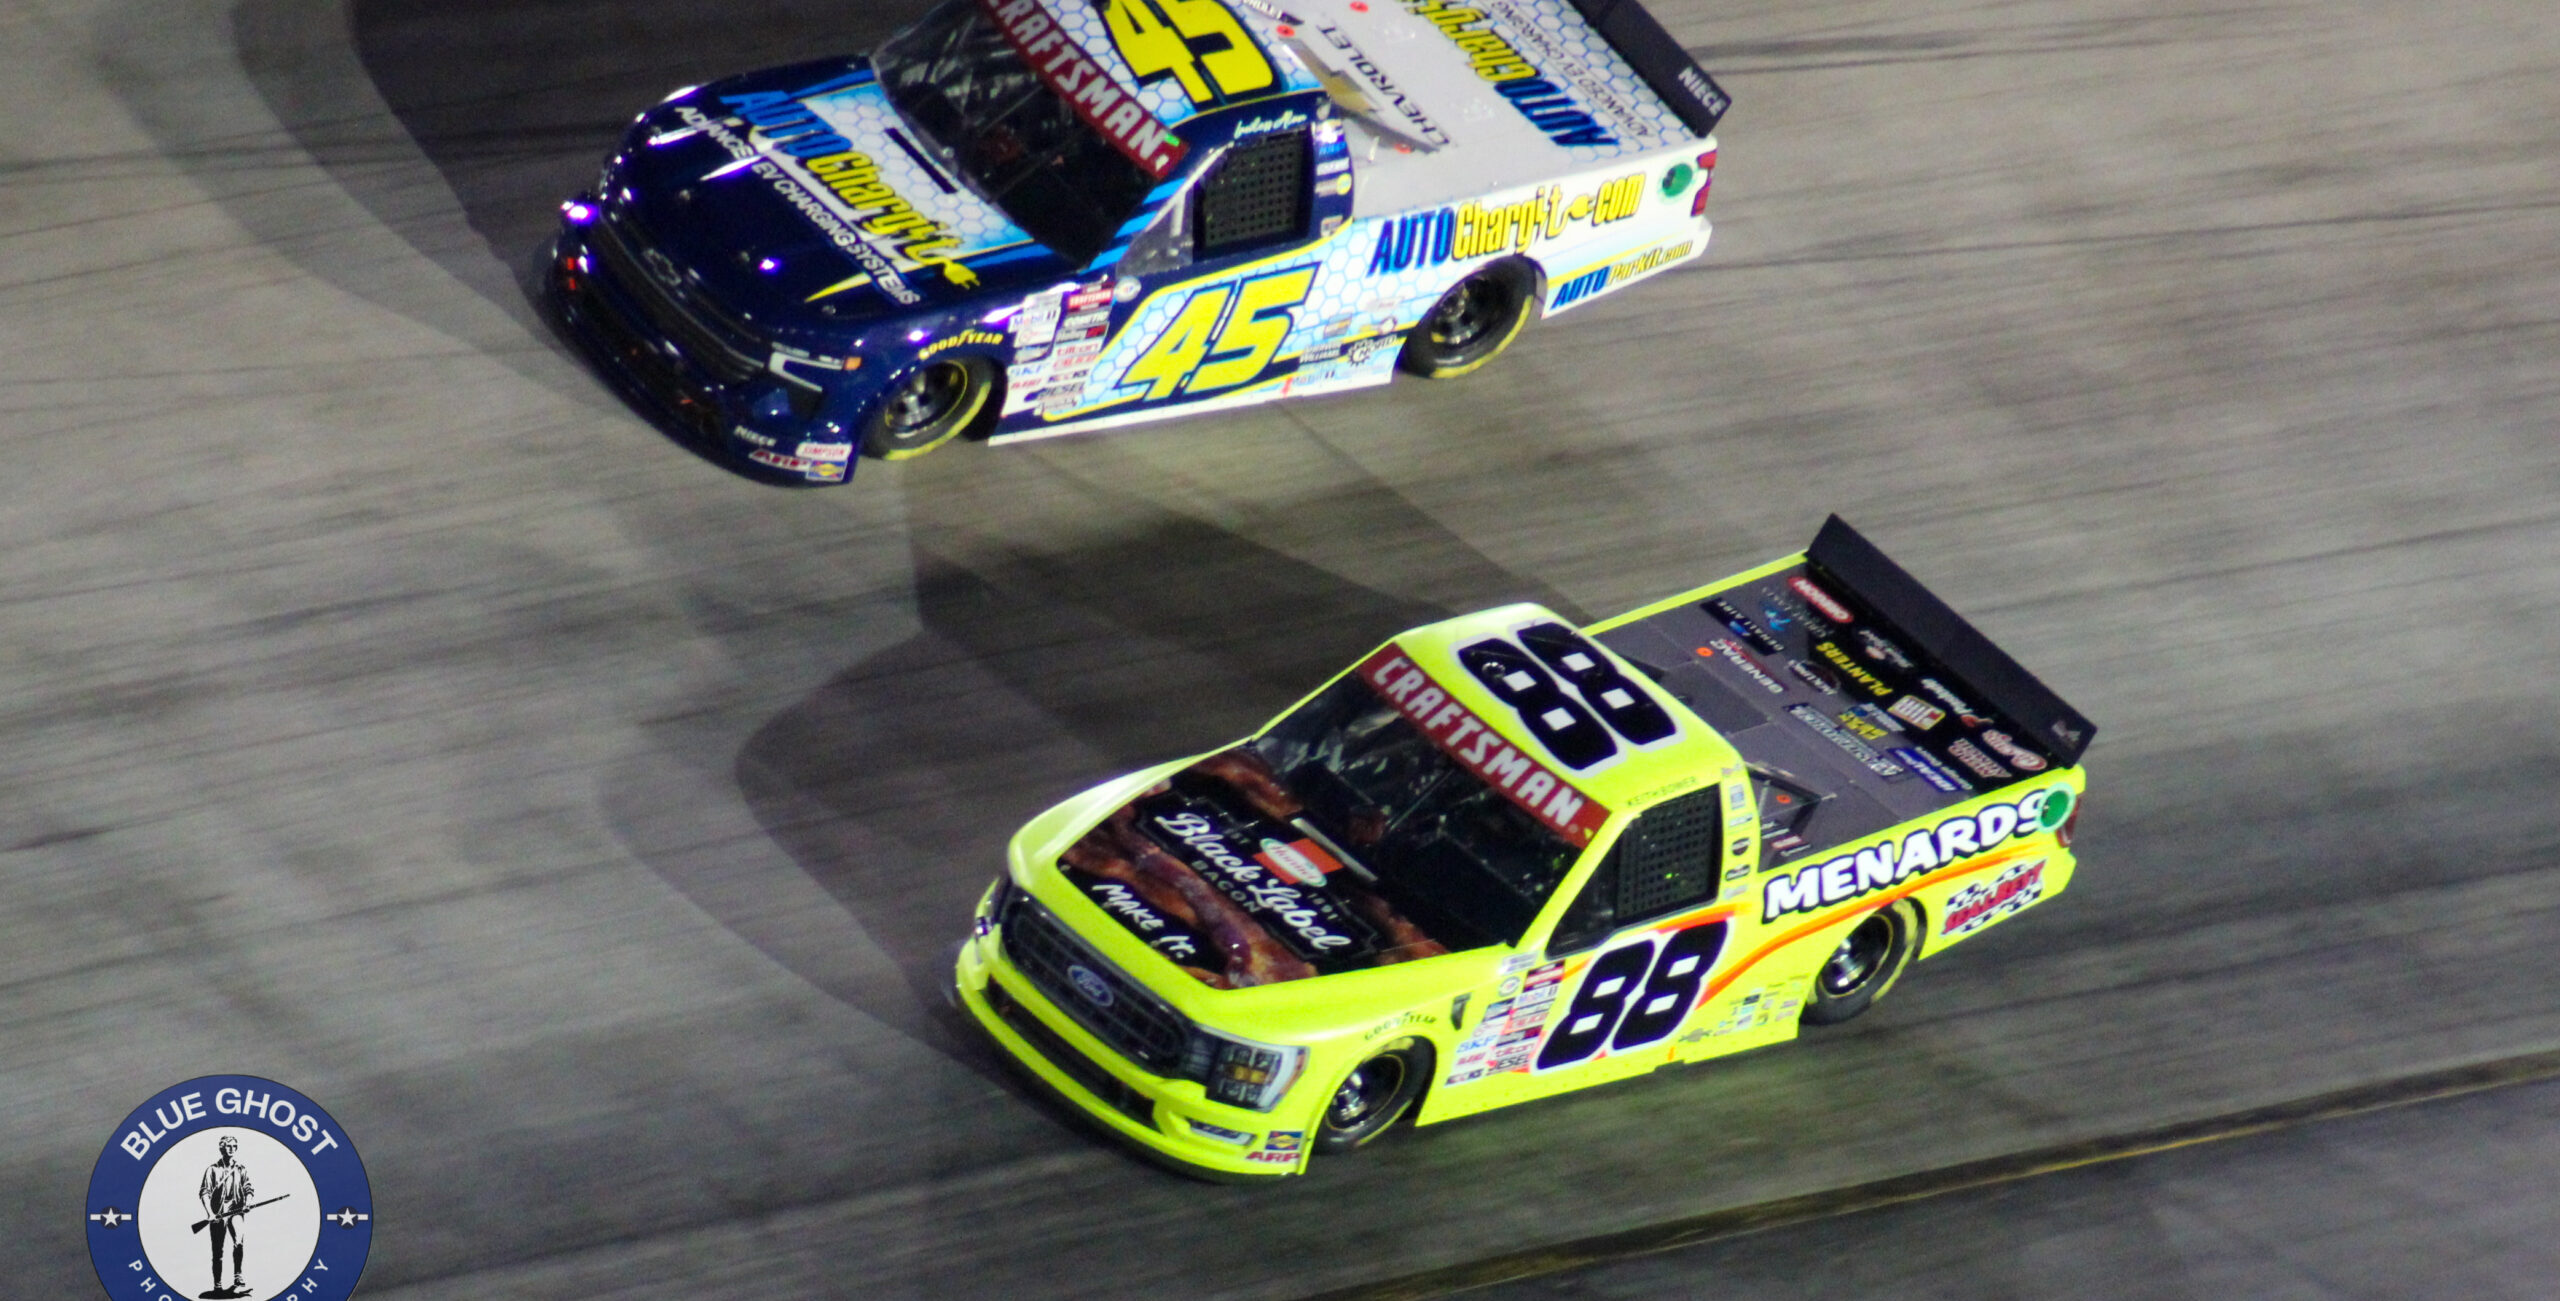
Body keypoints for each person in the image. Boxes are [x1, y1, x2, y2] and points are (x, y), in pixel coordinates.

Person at [197, 1135, 253, 1298]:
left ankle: (238, 1274)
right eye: (228, 1146)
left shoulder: (241, 1169)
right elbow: (204, 1192)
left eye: (234, 1146)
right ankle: (218, 1284)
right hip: (218, 1214)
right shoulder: (212, 1170)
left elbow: (248, 1188)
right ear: (222, 1148)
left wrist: (248, 1202)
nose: (232, 1148)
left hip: (236, 1211)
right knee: (218, 1251)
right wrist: (210, 1213)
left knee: (238, 1242)